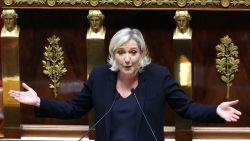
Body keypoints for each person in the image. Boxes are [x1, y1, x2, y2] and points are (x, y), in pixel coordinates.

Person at [9, 28, 241, 141]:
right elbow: (74, 109)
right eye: (121, 52)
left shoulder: (159, 76)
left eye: (133, 52)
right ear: (113, 55)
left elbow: (186, 107)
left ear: (142, 54)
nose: (127, 58)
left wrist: (216, 110)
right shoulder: (100, 77)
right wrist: (39, 101)